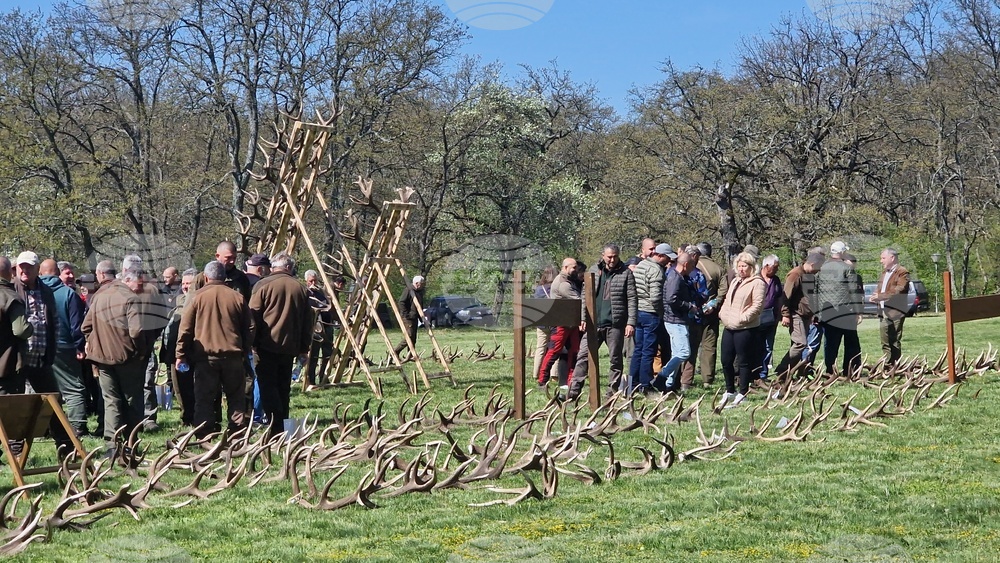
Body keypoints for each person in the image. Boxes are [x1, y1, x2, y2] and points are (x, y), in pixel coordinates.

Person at [176, 261, 253, 437]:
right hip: (233, 356)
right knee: (235, 397)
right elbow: (250, 327)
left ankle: (204, 433)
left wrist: (180, 354)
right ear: (224, 277)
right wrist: (245, 347)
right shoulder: (237, 297)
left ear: (205, 277)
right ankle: (237, 433)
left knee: (204, 398)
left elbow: (185, 329)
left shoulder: (197, 297)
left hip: (205, 358)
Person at [82, 262, 148, 455]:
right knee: (131, 401)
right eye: (139, 285)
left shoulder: (99, 296)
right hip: (127, 358)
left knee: (111, 400)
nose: (141, 289)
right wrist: (141, 351)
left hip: (101, 359)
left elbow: (85, 327)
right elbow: (136, 332)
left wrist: (94, 342)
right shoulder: (130, 298)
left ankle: (111, 445)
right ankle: (131, 443)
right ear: (127, 280)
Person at [249, 252, 313, 438]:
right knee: (283, 387)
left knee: (267, 386)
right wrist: (303, 348)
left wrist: (251, 343)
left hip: (266, 346)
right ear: (289, 267)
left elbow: (253, 318)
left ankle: (274, 427)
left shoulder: (262, 285)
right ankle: (284, 424)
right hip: (290, 347)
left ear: (273, 267)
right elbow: (307, 323)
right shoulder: (300, 289)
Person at [567, 244, 636, 400]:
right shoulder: (593, 271)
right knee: (583, 357)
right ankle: (572, 394)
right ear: (603, 255)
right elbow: (585, 296)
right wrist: (583, 318)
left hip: (615, 324)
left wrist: (631, 322)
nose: (612, 259)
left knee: (615, 360)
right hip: (593, 324)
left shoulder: (626, 273)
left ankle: (612, 394)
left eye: (615, 256)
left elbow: (632, 299)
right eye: (609, 256)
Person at [40, 259, 89, 436]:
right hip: (65, 346)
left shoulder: (34, 292)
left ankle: (45, 427)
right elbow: (77, 326)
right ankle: (77, 426)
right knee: (74, 388)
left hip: (40, 347)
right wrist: (79, 347)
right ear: (57, 273)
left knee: (46, 389)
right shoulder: (68, 294)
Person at [718, 252, 766, 407]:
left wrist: (742, 318)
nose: (741, 269)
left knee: (743, 361)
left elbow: (757, 306)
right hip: (729, 326)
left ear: (751, 267)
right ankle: (729, 390)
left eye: (744, 266)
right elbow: (727, 300)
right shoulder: (735, 281)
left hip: (745, 328)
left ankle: (742, 392)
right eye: (739, 266)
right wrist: (723, 314)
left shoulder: (758, 282)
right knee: (726, 360)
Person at [629, 243, 673, 394]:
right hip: (651, 313)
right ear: (660, 256)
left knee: (638, 350)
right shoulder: (656, 271)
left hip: (638, 312)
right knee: (648, 351)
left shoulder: (641, 265)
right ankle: (645, 384)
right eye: (667, 258)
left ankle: (632, 383)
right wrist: (662, 312)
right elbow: (655, 297)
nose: (668, 261)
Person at [652, 252, 699, 394]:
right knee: (684, 352)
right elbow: (671, 299)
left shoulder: (677, 276)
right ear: (685, 264)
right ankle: (662, 376)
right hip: (675, 320)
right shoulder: (675, 278)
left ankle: (668, 386)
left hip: (676, 319)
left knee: (677, 353)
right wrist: (689, 306)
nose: (693, 268)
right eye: (692, 265)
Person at [817, 241, 864, 376]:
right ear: (842, 252)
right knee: (851, 343)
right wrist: (858, 311)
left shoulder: (822, 267)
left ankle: (830, 370)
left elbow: (815, 289)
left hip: (827, 313)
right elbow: (854, 291)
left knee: (830, 343)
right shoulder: (847, 268)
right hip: (845, 312)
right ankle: (851, 370)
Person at [774, 252, 824, 378]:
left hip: (806, 316)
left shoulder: (810, 276)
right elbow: (786, 296)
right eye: (819, 267)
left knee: (799, 345)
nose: (819, 270)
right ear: (812, 264)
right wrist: (785, 314)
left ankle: (794, 373)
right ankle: (782, 370)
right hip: (795, 314)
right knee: (800, 343)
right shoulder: (796, 274)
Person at [538, 258, 583, 387]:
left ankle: (569, 381)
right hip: (561, 324)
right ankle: (542, 381)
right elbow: (579, 300)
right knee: (553, 352)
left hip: (570, 323)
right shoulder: (563, 283)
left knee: (574, 352)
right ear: (565, 267)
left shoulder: (569, 280)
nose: (576, 270)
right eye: (573, 267)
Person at [161, 268, 198, 426]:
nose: (185, 286)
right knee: (179, 388)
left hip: (192, 351)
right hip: (174, 351)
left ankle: (195, 416)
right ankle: (186, 417)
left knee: (193, 387)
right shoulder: (176, 299)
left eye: (189, 283)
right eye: (183, 283)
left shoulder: (198, 300)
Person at [869, 248, 910, 365]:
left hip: (895, 311)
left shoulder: (902, 272)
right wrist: (875, 297)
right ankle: (887, 364)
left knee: (894, 339)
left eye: (883, 258)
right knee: (885, 340)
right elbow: (881, 288)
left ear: (892, 258)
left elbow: (899, 290)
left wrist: (881, 296)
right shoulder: (884, 272)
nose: (881, 261)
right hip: (883, 311)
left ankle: (895, 365)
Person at [695, 242, 727, 387]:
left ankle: (685, 378)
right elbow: (723, 291)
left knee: (690, 345)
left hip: (693, 311)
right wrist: (713, 305)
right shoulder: (718, 269)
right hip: (711, 312)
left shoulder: (690, 266)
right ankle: (707, 379)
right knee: (709, 346)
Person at [304, 270, 334, 389]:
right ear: (306, 281)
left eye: (315, 280)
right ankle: (311, 380)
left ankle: (324, 377)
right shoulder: (305, 293)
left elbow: (329, 304)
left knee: (327, 353)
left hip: (327, 326)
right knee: (313, 355)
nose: (313, 283)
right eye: (311, 281)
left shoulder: (322, 292)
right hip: (315, 328)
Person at [757, 254, 784, 383]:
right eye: (775, 267)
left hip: (771, 318)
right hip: (757, 318)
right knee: (756, 346)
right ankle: (755, 373)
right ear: (766, 266)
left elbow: (779, 298)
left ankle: (763, 373)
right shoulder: (755, 279)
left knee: (768, 347)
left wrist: (780, 315)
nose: (777, 269)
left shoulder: (776, 280)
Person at [531, 267, 559, 383]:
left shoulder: (538, 289)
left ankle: (535, 373)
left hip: (542, 322)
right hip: (554, 322)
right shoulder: (557, 287)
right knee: (555, 348)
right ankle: (554, 374)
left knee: (540, 348)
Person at [393, 275, 426, 358]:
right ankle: (395, 352)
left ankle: (410, 354)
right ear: (417, 283)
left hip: (414, 317)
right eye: (422, 283)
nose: (423, 285)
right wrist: (406, 315)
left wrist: (421, 318)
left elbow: (419, 305)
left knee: (413, 338)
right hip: (408, 318)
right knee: (409, 336)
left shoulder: (419, 291)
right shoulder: (408, 290)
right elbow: (402, 302)